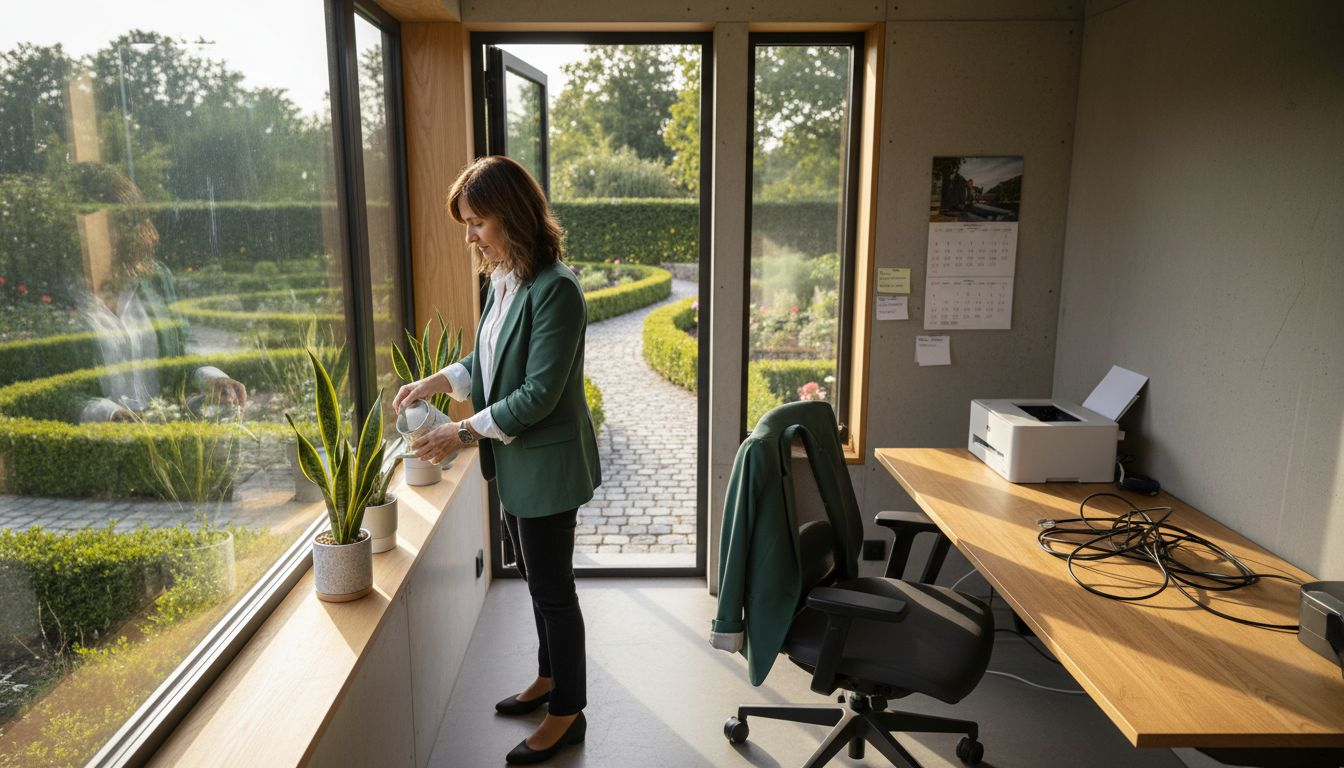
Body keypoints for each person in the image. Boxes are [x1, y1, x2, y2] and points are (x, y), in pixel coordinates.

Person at [392, 156, 601, 765]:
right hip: (515, 465)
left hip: (547, 468)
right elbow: (487, 365)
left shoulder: (556, 289)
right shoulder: (504, 279)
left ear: (511, 218)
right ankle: (546, 678)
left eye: (477, 223)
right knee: (538, 583)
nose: (469, 237)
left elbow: (538, 393)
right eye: (465, 224)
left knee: (554, 592)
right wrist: (437, 380)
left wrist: (460, 433)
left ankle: (569, 712)